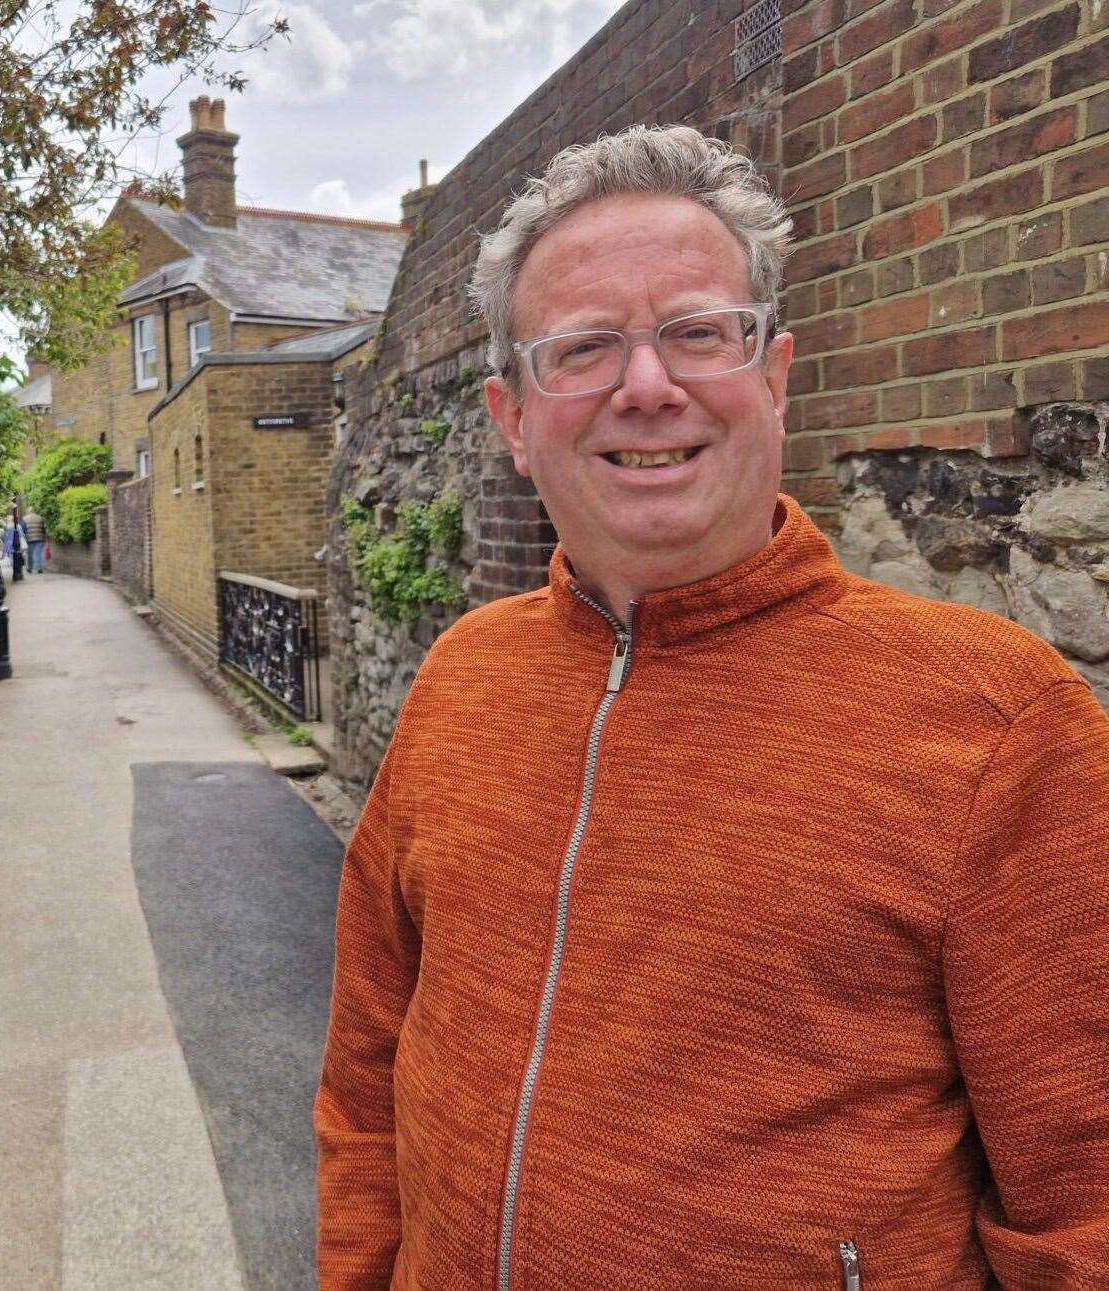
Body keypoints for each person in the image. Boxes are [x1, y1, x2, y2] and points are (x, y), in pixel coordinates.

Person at [315, 124, 1109, 1289]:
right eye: (584, 349)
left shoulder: (999, 722)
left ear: (774, 377)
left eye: (698, 333)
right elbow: (366, 1075)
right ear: (513, 419)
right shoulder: (462, 677)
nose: (648, 386)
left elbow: (1086, 1208)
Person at [23, 507, 45, 574]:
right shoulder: (40, 518)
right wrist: (43, 535)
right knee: (39, 554)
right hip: (39, 538)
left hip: (29, 539)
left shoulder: (25, 519)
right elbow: (43, 528)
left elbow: (23, 529)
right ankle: (39, 568)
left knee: (30, 554)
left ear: (28, 512)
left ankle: (30, 568)